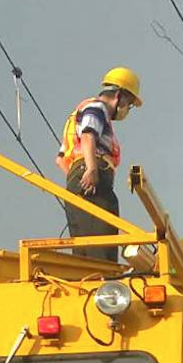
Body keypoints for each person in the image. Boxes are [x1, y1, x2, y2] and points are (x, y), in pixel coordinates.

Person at [56, 67, 143, 262]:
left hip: (78, 175)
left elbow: (60, 159)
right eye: (129, 103)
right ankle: (103, 281)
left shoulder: (77, 114)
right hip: (94, 174)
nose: (127, 109)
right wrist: (92, 169)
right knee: (102, 246)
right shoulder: (98, 108)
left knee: (85, 247)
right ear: (119, 95)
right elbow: (88, 134)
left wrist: (77, 180)